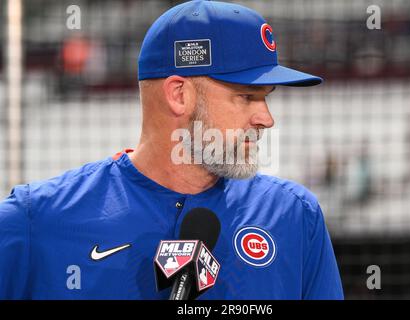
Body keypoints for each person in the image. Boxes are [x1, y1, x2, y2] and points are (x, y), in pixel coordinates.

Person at [0, 0, 343, 299]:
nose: (266, 119)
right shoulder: (35, 220)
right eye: (246, 96)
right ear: (179, 94)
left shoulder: (293, 216)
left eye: (266, 98)